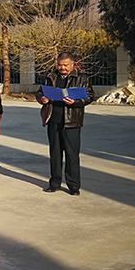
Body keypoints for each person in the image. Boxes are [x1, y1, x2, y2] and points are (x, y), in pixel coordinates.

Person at [35, 52, 95, 196]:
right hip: (53, 120)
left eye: (65, 65)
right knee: (55, 153)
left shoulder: (81, 78)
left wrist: (75, 102)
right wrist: (42, 98)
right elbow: (39, 92)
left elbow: (90, 96)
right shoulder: (51, 77)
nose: (62, 68)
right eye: (60, 65)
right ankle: (55, 183)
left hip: (71, 121)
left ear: (72, 64)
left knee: (71, 155)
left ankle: (73, 186)